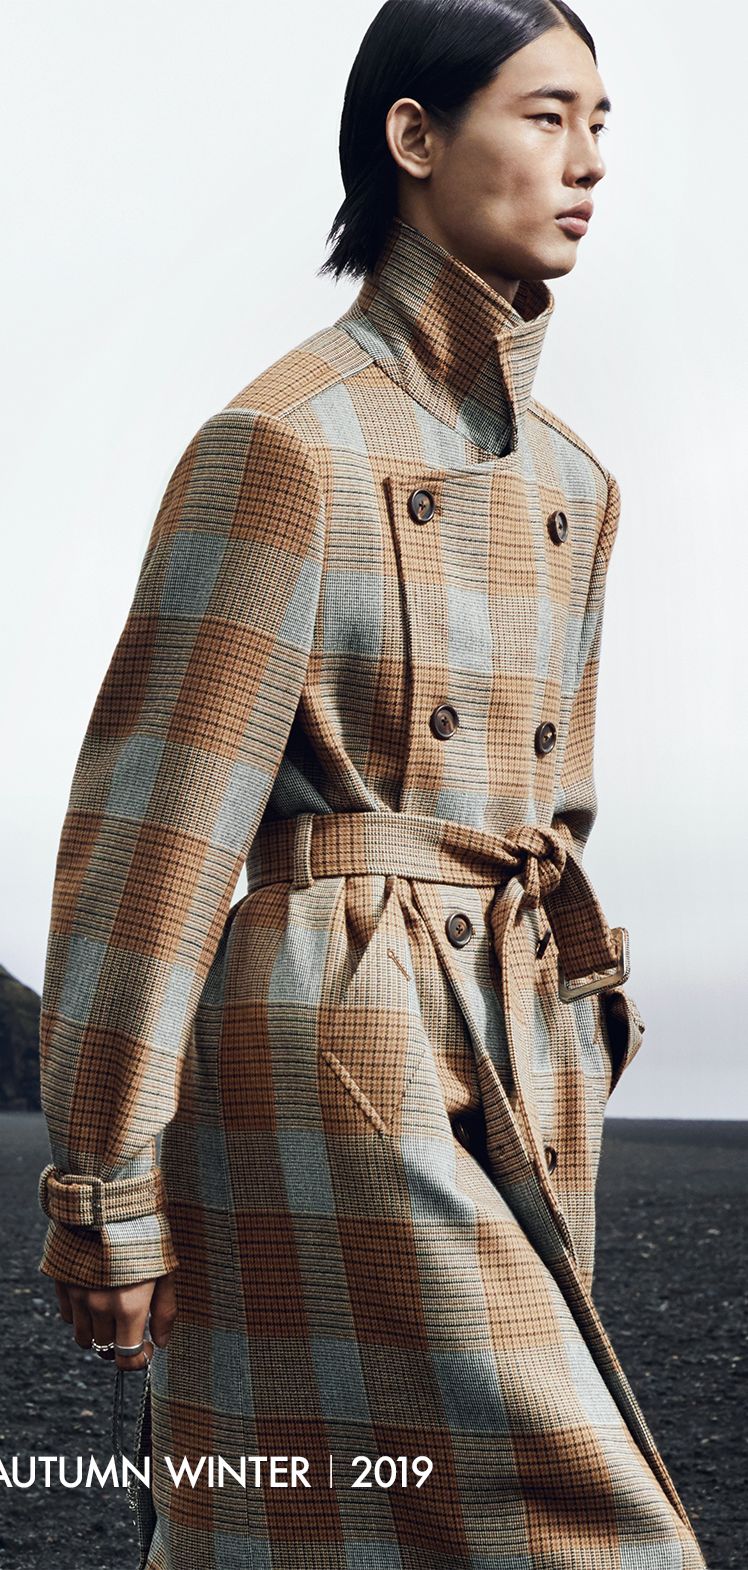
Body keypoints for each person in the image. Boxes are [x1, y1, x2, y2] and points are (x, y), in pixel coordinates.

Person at [36, 2, 705, 1565]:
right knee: (585, 1528)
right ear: (414, 137)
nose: (590, 161)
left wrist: (581, 1019)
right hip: (337, 1052)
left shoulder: (578, 481)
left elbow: (554, 808)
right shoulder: (285, 444)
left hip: (521, 1030)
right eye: (545, 115)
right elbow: (153, 835)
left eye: (601, 123)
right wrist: (104, 1184)